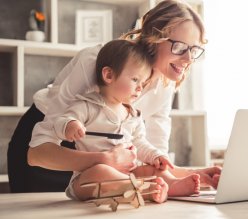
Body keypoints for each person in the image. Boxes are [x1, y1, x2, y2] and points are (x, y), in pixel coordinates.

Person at [8, 0, 220, 193]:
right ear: (154, 38)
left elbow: (154, 161)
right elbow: (36, 154)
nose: (188, 59)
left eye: (194, 49)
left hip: (106, 165)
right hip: (54, 151)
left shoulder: (165, 83)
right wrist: (105, 160)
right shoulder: (97, 61)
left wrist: (194, 175)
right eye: (180, 47)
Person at [54, 39, 200, 202]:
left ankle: (171, 184)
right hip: (87, 180)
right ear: (109, 75)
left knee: (152, 169)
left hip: (128, 175)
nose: (140, 87)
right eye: (135, 80)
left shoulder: (133, 115)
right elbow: (61, 120)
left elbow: (139, 142)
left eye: (143, 82)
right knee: (101, 171)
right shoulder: (87, 106)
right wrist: (69, 125)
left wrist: (156, 156)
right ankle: (142, 189)